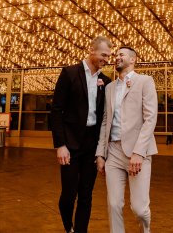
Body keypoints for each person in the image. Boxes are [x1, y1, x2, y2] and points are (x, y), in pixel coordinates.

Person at [51, 36, 112, 233]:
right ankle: (68, 227)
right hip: (69, 143)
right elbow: (57, 110)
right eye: (103, 54)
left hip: (92, 145)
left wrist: (101, 151)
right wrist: (60, 145)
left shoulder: (106, 81)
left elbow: (104, 117)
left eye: (108, 56)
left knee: (86, 194)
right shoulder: (69, 73)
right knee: (69, 194)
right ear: (91, 50)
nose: (106, 59)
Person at [96, 46, 158, 233]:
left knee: (139, 209)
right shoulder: (109, 88)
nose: (117, 57)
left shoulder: (145, 81)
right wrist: (100, 153)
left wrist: (139, 152)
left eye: (121, 54)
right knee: (114, 204)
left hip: (137, 153)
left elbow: (150, 117)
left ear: (133, 60)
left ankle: (145, 229)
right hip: (113, 152)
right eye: (116, 55)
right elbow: (106, 121)